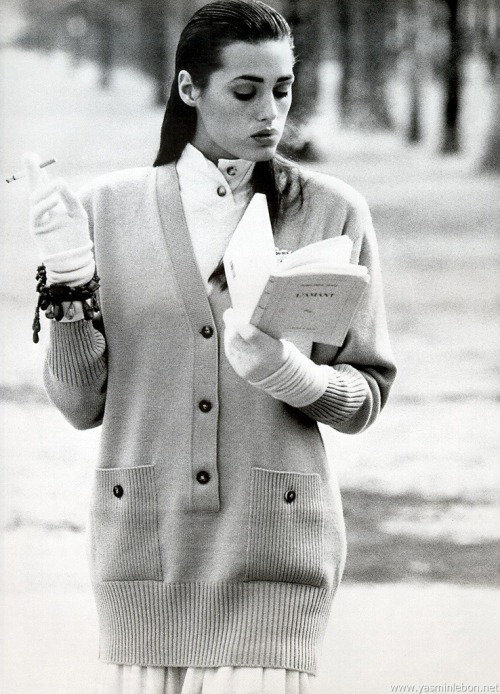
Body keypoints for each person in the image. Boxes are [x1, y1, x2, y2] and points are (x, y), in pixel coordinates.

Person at [24, 1, 396, 692]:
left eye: (282, 90)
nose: (271, 114)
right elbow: (81, 406)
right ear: (190, 89)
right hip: (145, 545)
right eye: (246, 92)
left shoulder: (332, 210)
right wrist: (70, 280)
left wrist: (291, 374)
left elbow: (363, 398)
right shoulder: (106, 208)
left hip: (275, 551)